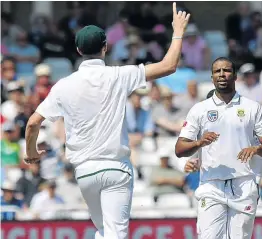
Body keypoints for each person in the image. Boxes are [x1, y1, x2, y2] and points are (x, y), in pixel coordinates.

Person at [24, 3, 190, 239]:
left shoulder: (64, 85)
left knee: (104, 233)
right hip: (115, 167)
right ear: (105, 48)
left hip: (84, 172)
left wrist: (31, 152)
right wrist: (178, 30)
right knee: (115, 235)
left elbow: (32, 123)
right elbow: (169, 66)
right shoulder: (118, 75)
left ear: (79, 50)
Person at [175, 57, 262, 239]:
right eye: (217, 71)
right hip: (211, 184)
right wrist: (199, 143)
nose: (222, 75)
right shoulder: (200, 109)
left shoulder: (252, 107)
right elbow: (180, 149)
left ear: (235, 75)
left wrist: (256, 149)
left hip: (243, 183)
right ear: (212, 77)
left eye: (227, 70)